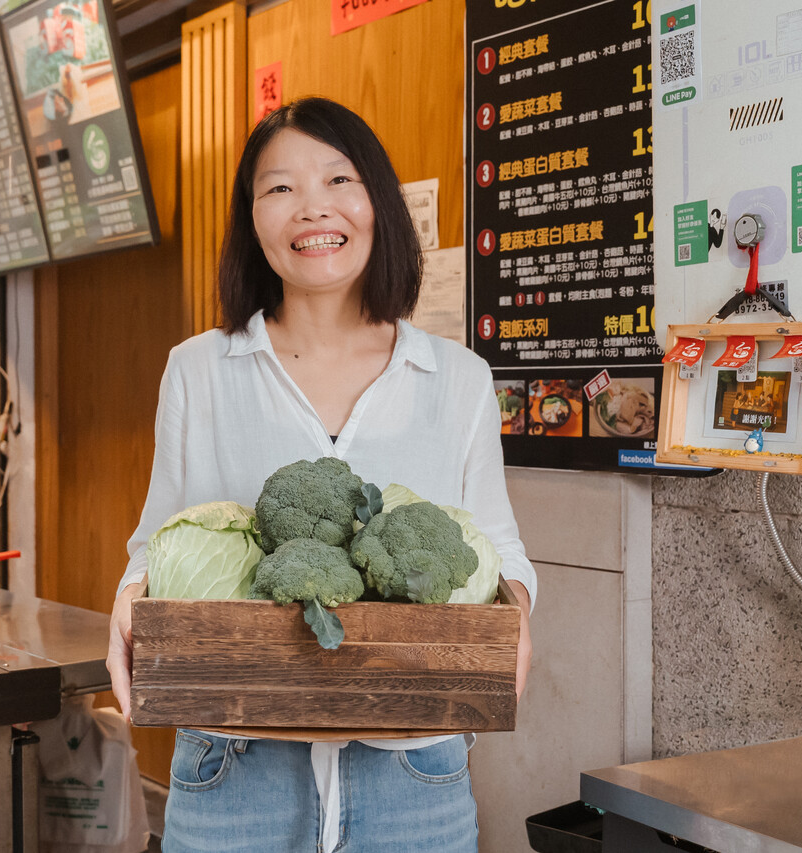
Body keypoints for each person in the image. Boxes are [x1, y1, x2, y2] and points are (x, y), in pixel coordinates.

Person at [107, 97, 536, 853]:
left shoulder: (459, 379)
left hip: (414, 772)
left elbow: (501, 550)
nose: (312, 208)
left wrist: (517, 620)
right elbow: (156, 540)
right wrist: (130, 602)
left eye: (338, 180)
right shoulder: (197, 370)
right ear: (252, 221)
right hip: (233, 764)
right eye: (279, 189)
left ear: (377, 202)